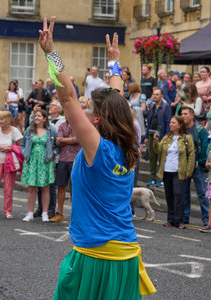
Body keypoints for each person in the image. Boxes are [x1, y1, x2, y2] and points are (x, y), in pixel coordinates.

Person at [39, 17, 156, 298]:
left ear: (100, 118)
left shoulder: (98, 147)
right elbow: (116, 97)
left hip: (96, 253)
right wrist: (114, 63)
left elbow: (67, 99)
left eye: (91, 110)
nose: (87, 114)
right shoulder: (128, 145)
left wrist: (51, 53)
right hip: (126, 253)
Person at [153, 115, 195, 229]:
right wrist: (155, 142)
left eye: (174, 123)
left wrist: (189, 171)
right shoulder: (167, 138)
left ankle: (179, 220)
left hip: (179, 171)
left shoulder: (187, 138)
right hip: (166, 170)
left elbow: (191, 155)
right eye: (170, 122)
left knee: (178, 195)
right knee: (169, 195)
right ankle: (170, 219)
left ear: (180, 125)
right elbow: (158, 150)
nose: (171, 124)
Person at [21, 109, 57, 222]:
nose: (36, 117)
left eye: (39, 116)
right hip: (31, 162)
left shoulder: (51, 131)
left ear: (45, 119)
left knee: (45, 188)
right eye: (35, 116)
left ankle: (45, 213)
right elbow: (22, 144)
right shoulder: (29, 130)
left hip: (45, 162)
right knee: (31, 188)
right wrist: (25, 153)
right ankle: (30, 213)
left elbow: (56, 145)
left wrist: (53, 154)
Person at [180, 106, 210, 226]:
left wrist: (202, 162)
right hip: (184, 165)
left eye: (186, 114)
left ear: (192, 115)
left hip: (197, 165)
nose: (183, 116)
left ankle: (206, 218)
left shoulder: (200, 130)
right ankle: (185, 217)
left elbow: (205, 147)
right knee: (184, 193)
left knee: (202, 193)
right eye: (182, 114)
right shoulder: (181, 130)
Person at [51, 119, 82, 222]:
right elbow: (57, 141)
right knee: (60, 186)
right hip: (63, 159)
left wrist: (63, 140)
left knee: (76, 188)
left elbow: (78, 140)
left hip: (75, 159)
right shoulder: (62, 125)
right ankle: (59, 213)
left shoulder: (80, 124)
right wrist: (68, 140)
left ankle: (77, 214)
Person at [144, 88, 172, 187]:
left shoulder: (166, 107)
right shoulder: (151, 107)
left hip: (162, 135)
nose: (155, 96)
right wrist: (146, 136)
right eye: (154, 94)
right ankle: (152, 178)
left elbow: (168, 122)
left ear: (161, 96)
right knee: (152, 158)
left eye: (157, 94)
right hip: (151, 134)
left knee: (161, 158)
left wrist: (167, 136)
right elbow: (148, 122)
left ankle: (161, 179)